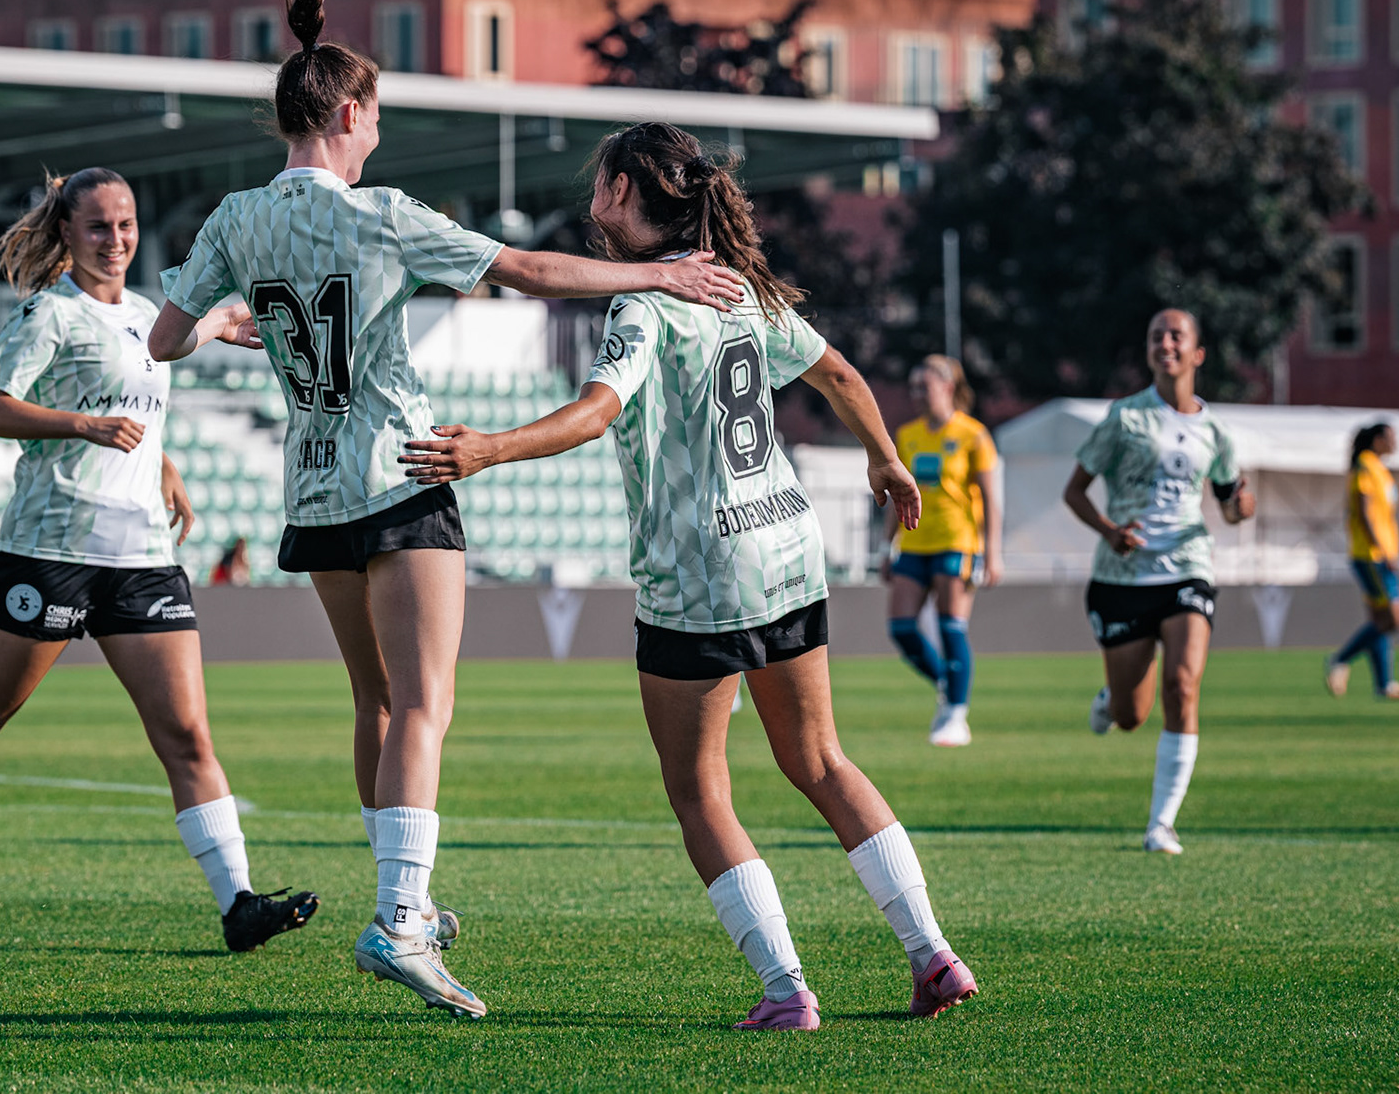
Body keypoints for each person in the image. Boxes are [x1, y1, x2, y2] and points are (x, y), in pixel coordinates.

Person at [148, 0, 746, 1021]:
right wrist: (654, 270)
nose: (379, 133)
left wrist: (240, 314)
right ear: (347, 115)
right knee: (425, 703)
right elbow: (524, 270)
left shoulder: (233, 217)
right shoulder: (380, 213)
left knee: (374, 703)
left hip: (312, 490)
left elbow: (169, 339)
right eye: (375, 116)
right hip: (401, 473)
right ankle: (402, 918)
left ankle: (402, 895)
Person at [401, 122, 979, 1032]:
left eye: (601, 185)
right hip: (789, 544)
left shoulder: (646, 306)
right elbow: (837, 372)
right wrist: (886, 459)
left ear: (628, 191)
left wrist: (488, 449)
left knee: (700, 789)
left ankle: (787, 989)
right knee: (822, 761)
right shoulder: (741, 293)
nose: (593, 204)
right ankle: (933, 954)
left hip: (701, 570)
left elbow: (597, 414)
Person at [0, 167, 320, 953]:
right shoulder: (49, 315)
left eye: (125, 225)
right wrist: (80, 426)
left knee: (186, 735)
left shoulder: (149, 315)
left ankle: (238, 905)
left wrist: (167, 460)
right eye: (98, 228)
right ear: (68, 233)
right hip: (50, 550)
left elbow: (153, 383)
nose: (115, 241)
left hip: (143, 557)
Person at [1061, 309, 1256, 855]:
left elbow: (1230, 501)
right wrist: (1110, 531)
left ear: (1197, 353)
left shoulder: (1215, 431)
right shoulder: (1125, 418)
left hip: (1188, 567)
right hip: (1122, 575)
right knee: (1130, 716)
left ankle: (1161, 824)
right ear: (1149, 352)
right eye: (1156, 336)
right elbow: (1074, 491)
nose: (1165, 343)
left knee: (1183, 685)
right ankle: (1111, 700)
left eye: (1176, 336)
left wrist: (1242, 506)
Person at [880, 355, 1002, 747]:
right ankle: (949, 684)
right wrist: (887, 547)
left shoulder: (973, 435)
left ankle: (955, 715)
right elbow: (896, 493)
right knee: (901, 629)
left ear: (948, 387)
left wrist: (992, 553)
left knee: (952, 627)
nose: (917, 394)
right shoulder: (907, 435)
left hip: (957, 541)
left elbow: (990, 498)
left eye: (924, 386)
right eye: (913, 386)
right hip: (914, 542)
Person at [1326, 424, 1399, 702]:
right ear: (1377, 440)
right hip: (1371, 556)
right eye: (1390, 437)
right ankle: (1340, 659)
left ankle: (1385, 685)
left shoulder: (1379, 468)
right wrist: (1382, 549)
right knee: (1394, 619)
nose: (1395, 442)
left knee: (1381, 621)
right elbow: (1363, 512)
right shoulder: (1364, 467)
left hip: (1379, 554)